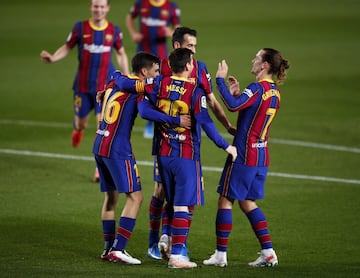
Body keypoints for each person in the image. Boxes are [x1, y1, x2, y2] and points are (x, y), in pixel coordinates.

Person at [138, 48, 237, 268]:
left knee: (173, 202)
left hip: (163, 154)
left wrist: (169, 119)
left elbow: (144, 111)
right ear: (190, 66)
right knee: (183, 205)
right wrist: (225, 146)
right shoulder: (194, 91)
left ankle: (167, 240)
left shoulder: (158, 84)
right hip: (186, 156)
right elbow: (207, 124)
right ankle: (177, 255)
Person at [203, 48, 290, 267]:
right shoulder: (274, 92)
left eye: (257, 58)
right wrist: (236, 94)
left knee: (225, 199)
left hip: (244, 154)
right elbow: (249, 113)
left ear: (265, 66)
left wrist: (220, 81)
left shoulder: (257, 88)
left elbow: (233, 107)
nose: (253, 60)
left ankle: (220, 255)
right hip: (261, 155)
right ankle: (269, 253)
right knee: (247, 202)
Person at [40, 0, 129, 182]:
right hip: (82, 86)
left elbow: (120, 53)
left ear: (107, 8)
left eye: (102, 6)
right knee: (81, 123)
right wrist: (53, 58)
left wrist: (127, 77)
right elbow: (67, 47)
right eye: (96, 6)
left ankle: (99, 169)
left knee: (101, 128)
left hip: (105, 89)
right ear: (90, 7)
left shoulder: (114, 30)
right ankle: (78, 130)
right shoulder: (80, 28)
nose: (99, 9)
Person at [92, 52, 160, 265]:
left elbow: (116, 77)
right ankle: (118, 249)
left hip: (100, 144)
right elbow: (150, 96)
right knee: (135, 197)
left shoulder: (114, 80)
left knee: (111, 198)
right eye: (155, 71)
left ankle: (108, 248)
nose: (157, 75)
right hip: (118, 148)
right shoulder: (137, 87)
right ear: (144, 71)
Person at [125, 0, 181, 139]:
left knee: (155, 90)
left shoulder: (171, 6)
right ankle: (122, 119)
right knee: (134, 88)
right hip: (141, 56)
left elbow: (177, 29)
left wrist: (171, 32)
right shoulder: (141, 3)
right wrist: (133, 33)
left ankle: (151, 123)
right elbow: (130, 17)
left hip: (159, 57)